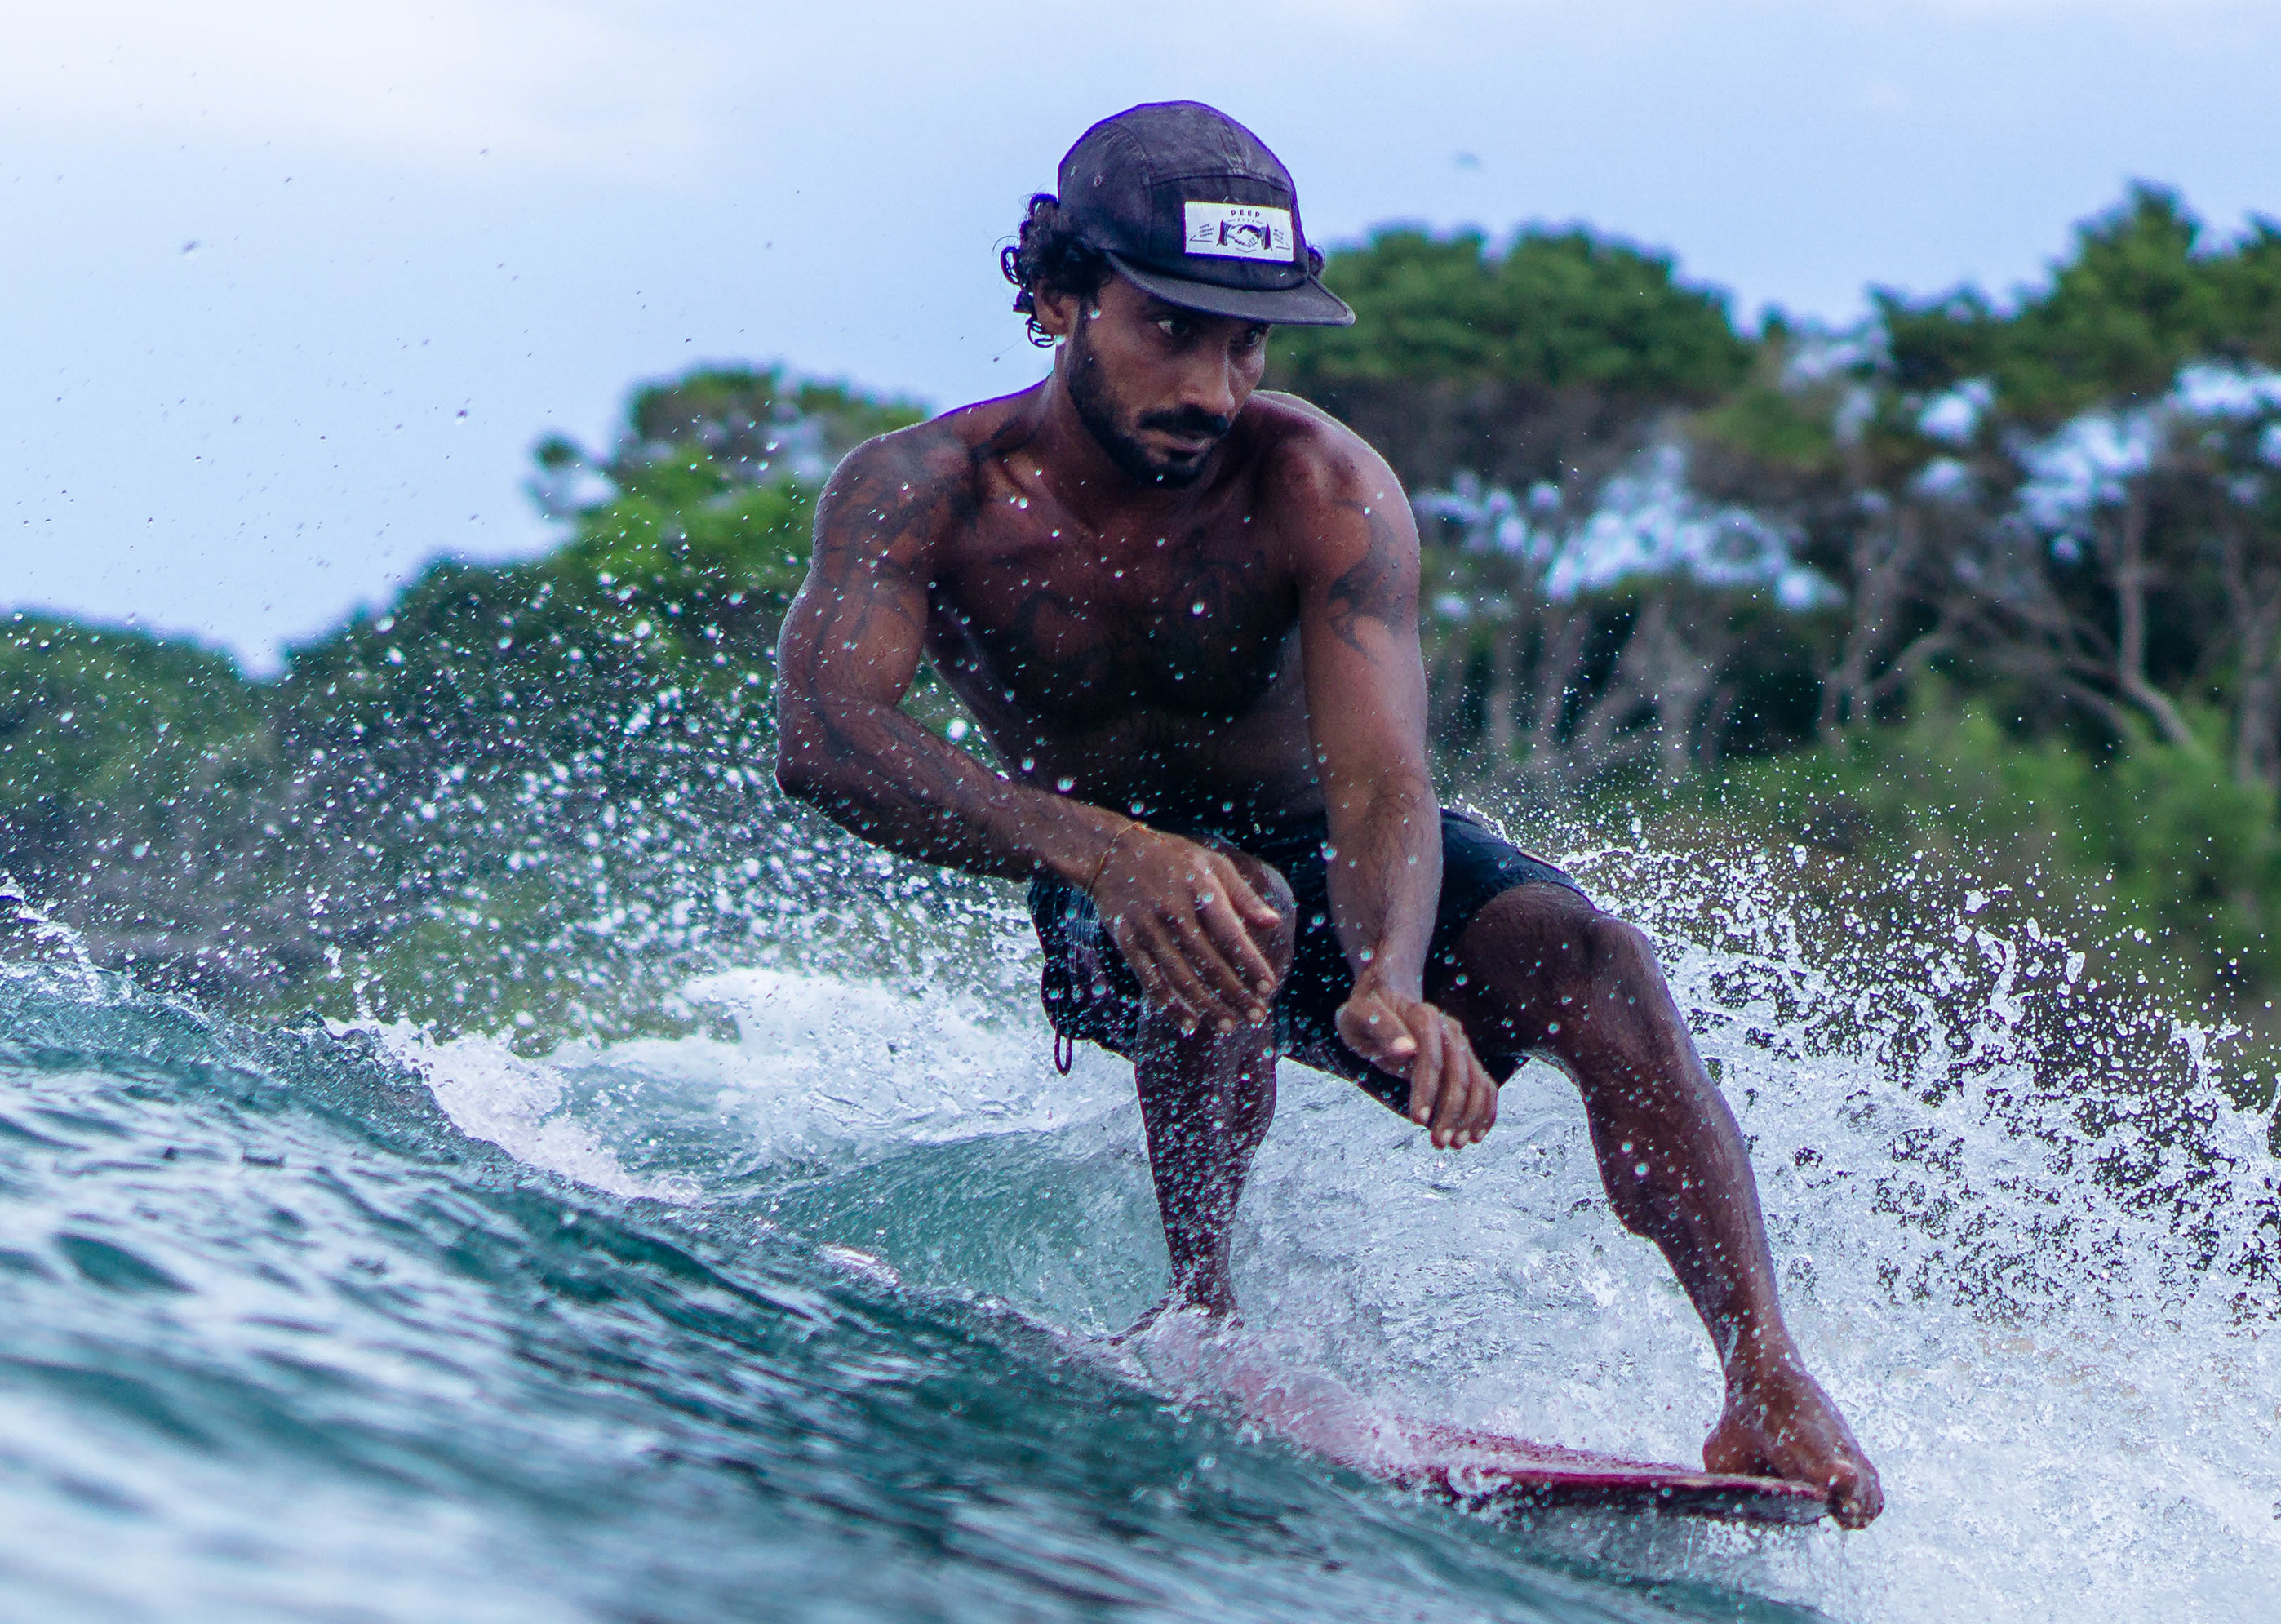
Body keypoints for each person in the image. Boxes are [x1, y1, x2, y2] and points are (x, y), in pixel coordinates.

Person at [774, 101, 1879, 1526]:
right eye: (1170, 328)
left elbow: (1380, 781)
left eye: (1247, 342)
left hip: (1339, 865)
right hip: (1105, 876)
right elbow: (826, 738)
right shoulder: (923, 491)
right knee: (1225, 900)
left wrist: (1391, 978)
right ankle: (1203, 1319)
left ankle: (1765, 1376)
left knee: (1591, 955)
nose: (1214, 384)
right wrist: (1107, 850)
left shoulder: (1319, 484)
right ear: (1056, 298)